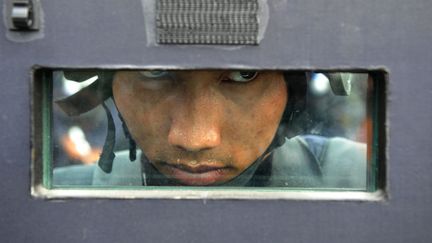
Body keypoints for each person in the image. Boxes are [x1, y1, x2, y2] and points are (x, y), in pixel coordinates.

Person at [54, 70, 366, 189]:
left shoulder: (359, 177)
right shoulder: (57, 196)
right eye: (154, 71)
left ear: (293, 93)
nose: (194, 139)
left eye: (244, 74)